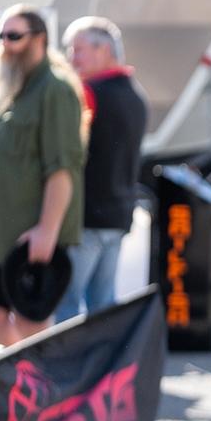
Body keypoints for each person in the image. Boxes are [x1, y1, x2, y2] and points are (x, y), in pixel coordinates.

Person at [0, 4, 86, 347]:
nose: (6, 44)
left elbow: (62, 168)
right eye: (2, 36)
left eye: (14, 36)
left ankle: (41, 394)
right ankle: (24, 384)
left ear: (39, 39)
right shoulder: (4, 89)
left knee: (31, 327)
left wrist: (48, 230)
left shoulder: (55, 89)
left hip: (29, 234)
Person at [53, 16, 148, 323]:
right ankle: (106, 370)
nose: (71, 57)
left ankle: (71, 372)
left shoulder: (88, 93)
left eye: (77, 49)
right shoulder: (136, 94)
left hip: (86, 219)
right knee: (103, 307)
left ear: (103, 50)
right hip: (118, 216)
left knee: (66, 307)